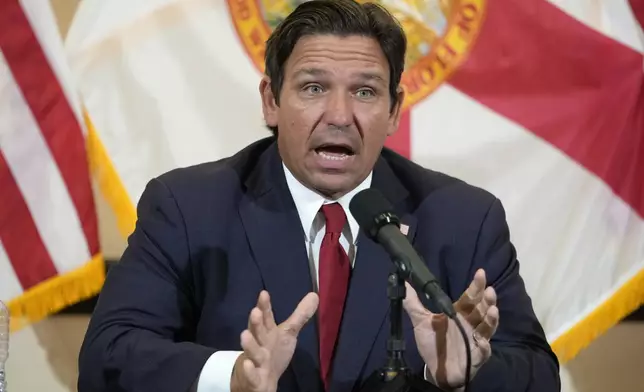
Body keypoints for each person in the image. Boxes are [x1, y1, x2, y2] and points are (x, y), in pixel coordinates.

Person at [77, 1, 561, 391]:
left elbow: (539, 373)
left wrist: (464, 375)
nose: (338, 114)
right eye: (313, 87)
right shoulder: (188, 207)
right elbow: (108, 358)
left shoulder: (463, 218)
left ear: (394, 111)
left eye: (366, 93)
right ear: (271, 99)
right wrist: (234, 376)